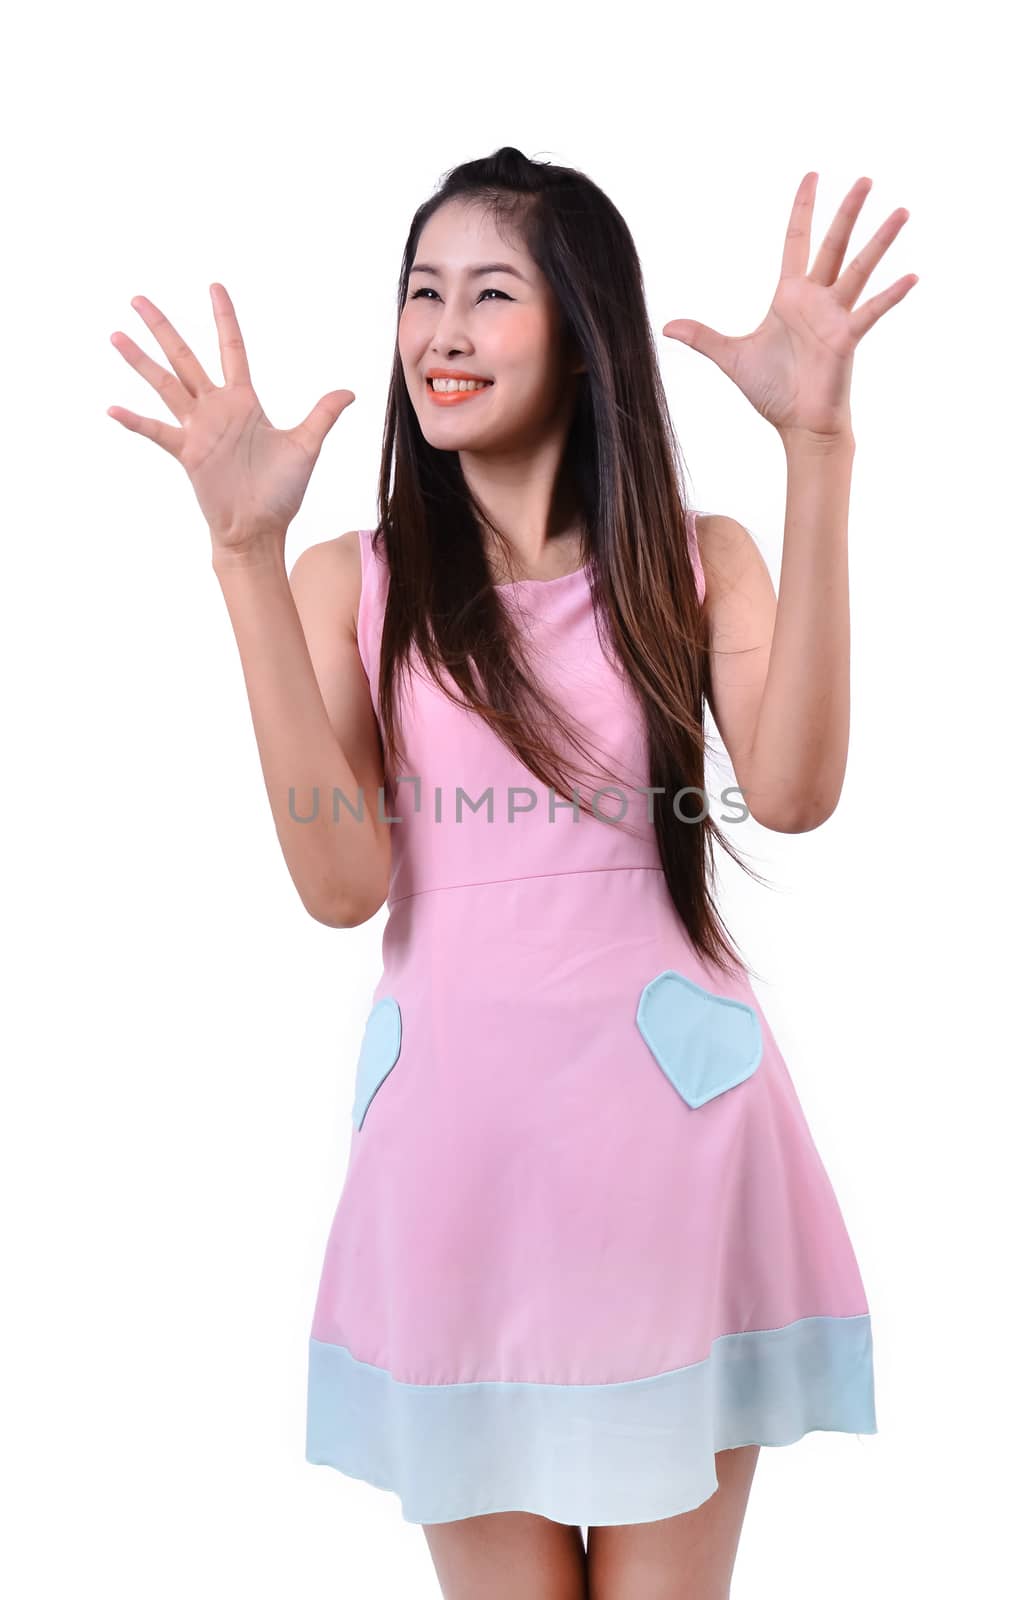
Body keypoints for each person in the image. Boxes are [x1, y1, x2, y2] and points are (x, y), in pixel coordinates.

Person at [107, 148, 916, 1600]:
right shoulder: (349, 583)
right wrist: (243, 555)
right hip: (460, 1172)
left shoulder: (693, 560)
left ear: (582, 332)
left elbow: (790, 790)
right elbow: (343, 882)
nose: (442, 332)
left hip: (672, 1155)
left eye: (489, 293)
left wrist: (819, 455)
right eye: (422, 294)